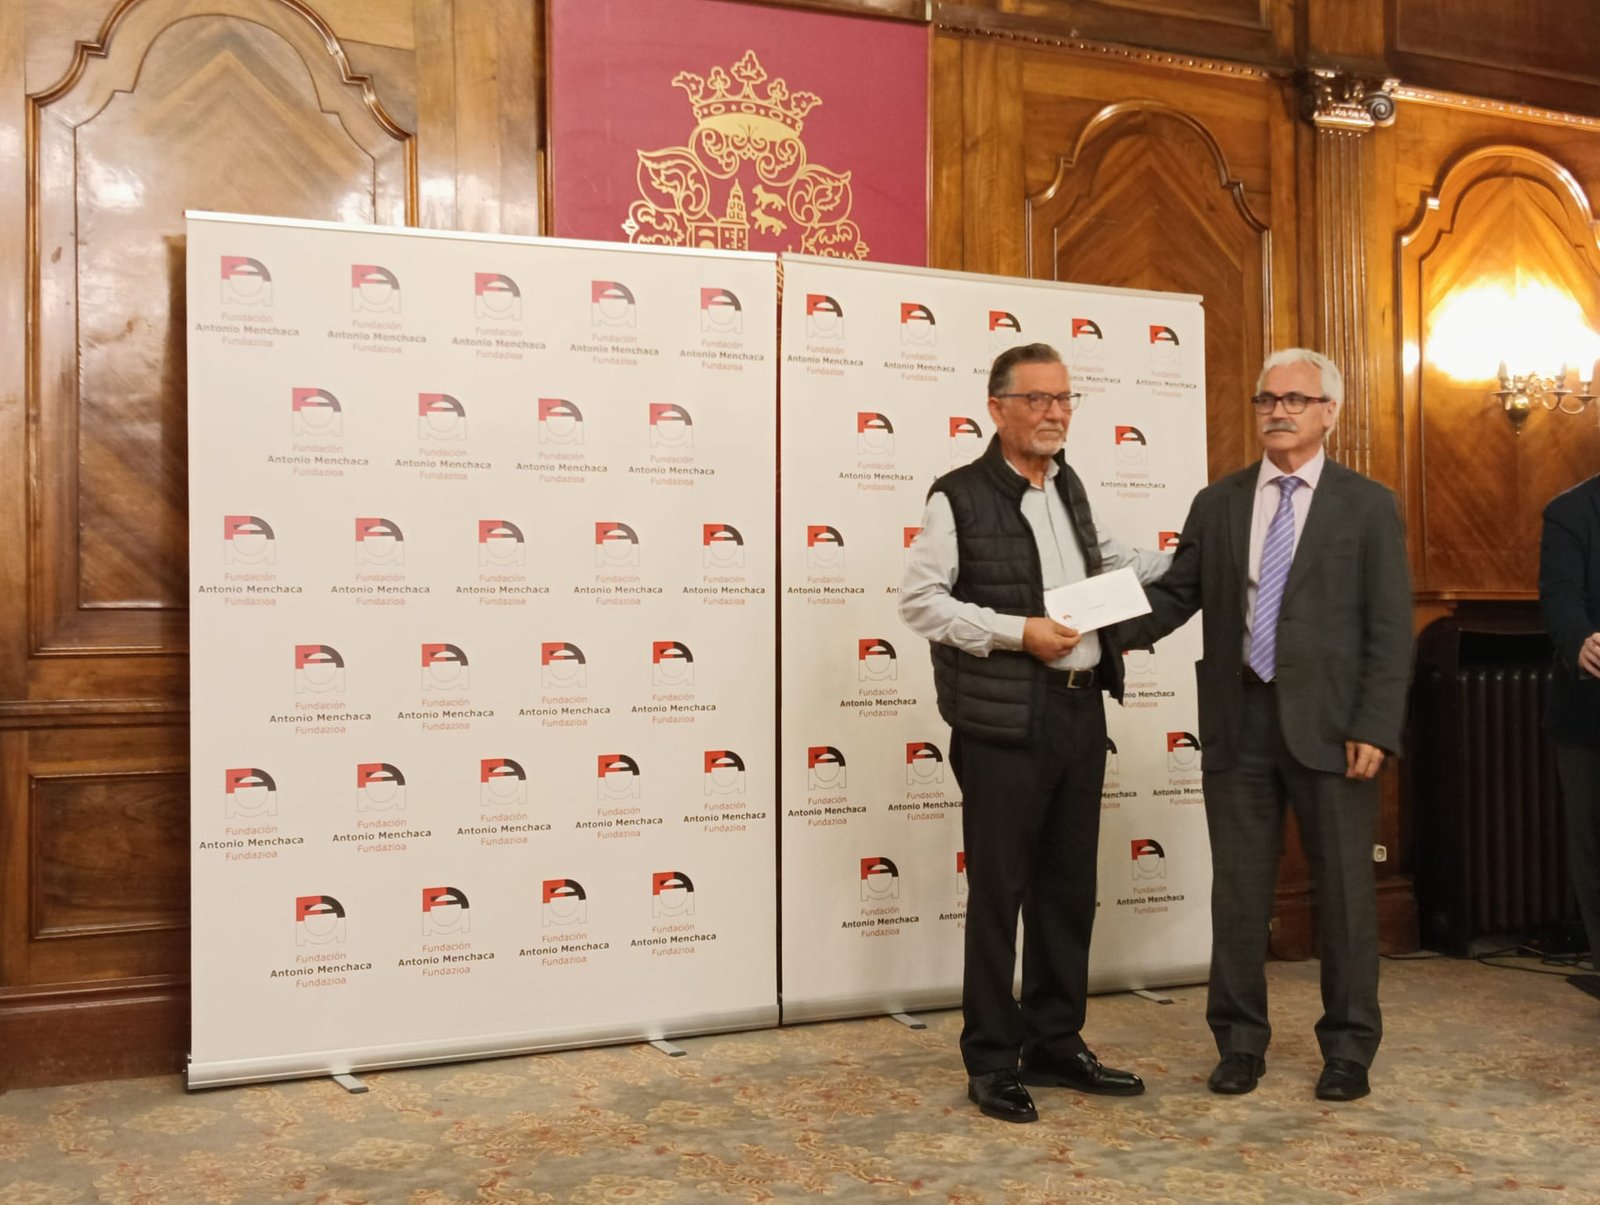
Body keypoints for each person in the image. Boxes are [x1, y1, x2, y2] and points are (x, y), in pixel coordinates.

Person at [1120, 348, 1412, 1103]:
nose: (1278, 410)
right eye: (1266, 399)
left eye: (1295, 399)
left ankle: (1348, 1049)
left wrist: (1376, 725)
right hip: (1238, 720)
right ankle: (1239, 1042)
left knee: (1345, 894)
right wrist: (1092, 633)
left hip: (1334, 728)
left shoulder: (1368, 504)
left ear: (1329, 412)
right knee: (1239, 894)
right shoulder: (1218, 501)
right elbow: (1176, 595)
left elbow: (1390, 626)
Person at [899, 342, 1170, 1123]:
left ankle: (1054, 1041)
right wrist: (1019, 632)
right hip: (1002, 723)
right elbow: (921, 602)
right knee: (1000, 893)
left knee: (1067, 889)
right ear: (997, 408)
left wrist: (1197, 553)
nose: (1055, 413)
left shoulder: (1071, 487)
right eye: (1038, 399)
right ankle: (991, 1058)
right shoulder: (957, 496)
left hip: (1081, 712)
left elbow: (1115, 563)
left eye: (1064, 399)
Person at [1538, 473, 1600, 971]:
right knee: (1594, 849)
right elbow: (1560, 598)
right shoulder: (1571, 510)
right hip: (1590, 712)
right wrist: (1580, 640)